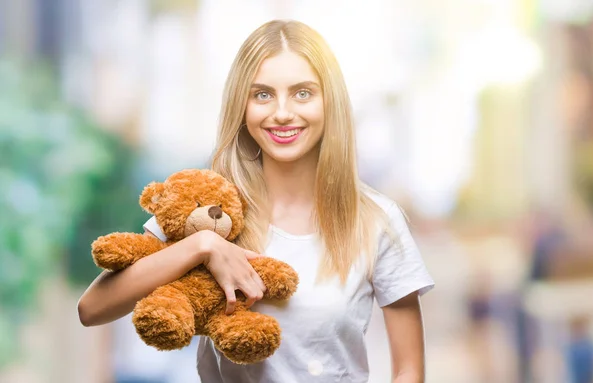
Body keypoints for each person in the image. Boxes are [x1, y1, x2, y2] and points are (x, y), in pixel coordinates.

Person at [77, 19, 435, 383]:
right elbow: (92, 308)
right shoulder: (207, 210)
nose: (282, 112)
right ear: (242, 106)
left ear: (330, 102)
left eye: (303, 93)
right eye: (262, 94)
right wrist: (202, 246)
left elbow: (408, 370)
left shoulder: (376, 220)